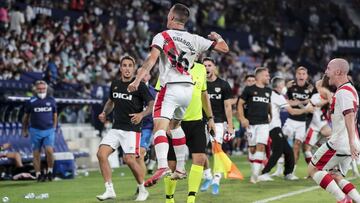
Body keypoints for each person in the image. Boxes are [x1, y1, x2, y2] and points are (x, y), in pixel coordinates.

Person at [127, 3, 229, 186]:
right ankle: (181, 167)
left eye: (168, 15)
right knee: (174, 127)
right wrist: (217, 36)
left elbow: (151, 60)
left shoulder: (163, 36)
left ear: (173, 18)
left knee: (159, 126)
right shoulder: (195, 39)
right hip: (188, 90)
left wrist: (136, 81)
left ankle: (163, 165)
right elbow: (224, 48)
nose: (167, 18)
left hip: (171, 87)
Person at [96, 56, 154, 201]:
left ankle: (142, 189)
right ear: (120, 68)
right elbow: (111, 102)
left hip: (132, 129)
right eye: (124, 65)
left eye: (130, 65)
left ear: (134, 69)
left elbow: (152, 105)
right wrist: (104, 112)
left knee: (129, 159)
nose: (127, 68)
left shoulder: (139, 86)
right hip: (116, 128)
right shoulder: (115, 84)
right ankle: (109, 190)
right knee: (101, 154)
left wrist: (141, 114)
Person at [308, 58, 360, 203]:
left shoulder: (343, 92)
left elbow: (349, 115)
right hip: (350, 142)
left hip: (341, 143)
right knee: (336, 175)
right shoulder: (350, 89)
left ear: (337, 71)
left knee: (313, 170)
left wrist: (350, 142)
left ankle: (343, 200)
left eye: (328, 69)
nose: (326, 72)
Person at [164, 62, 216, 203]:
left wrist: (210, 118)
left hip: (196, 122)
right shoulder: (169, 68)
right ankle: (169, 199)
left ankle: (191, 198)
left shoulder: (200, 68)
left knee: (199, 158)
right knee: (172, 164)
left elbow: (204, 94)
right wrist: (164, 121)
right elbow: (160, 95)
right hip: (174, 123)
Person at [257, 77, 313, 182]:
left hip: (270, 126)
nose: (284, 87)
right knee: (278, 150)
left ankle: (288, 173)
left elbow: (290, 103)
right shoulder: (278, 96)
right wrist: (306, 109)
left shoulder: (271, 94)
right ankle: (264, 173)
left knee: (288, 150)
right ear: (278, 86)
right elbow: (292, 111)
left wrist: (301, 102)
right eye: (283, 85)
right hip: (274, 127)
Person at [200, 57, 234, 195]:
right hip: (201, 121)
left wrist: (230, 125)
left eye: (209, 65)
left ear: (214, 67)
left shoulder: (224, 84)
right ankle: (207, 175)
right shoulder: (199, 83)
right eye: (204, 66)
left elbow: (228, 106)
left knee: (217, 149)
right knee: (199, 150)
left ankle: (216, 180)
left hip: (218, 122)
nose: (207, 68)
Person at [237, 67, 271, 184]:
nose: (268, 77)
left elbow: (269, 105)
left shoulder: (268, 91)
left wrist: (271, 115)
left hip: (264, 123)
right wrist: (242, 118)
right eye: (266, 75)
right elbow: (240, 104)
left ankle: (255, 176)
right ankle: (255, 171)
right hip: (251, 123)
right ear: (260, 76)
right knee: (252, 149)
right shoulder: (249, 89)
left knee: (261, 146)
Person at [22, 80, 57, 182]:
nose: (41, 90)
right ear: (36, 89)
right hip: (35, 130)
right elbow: (26, 117)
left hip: (49, 130)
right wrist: (24, 130)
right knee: (36, 153)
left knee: (49, 151)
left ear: (46, 89)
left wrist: (54, 127)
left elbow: (55, 114)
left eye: (43, 88)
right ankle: (38, 174)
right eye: (39, 89)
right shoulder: (31, 101)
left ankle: (50, 171)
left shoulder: (51, 100)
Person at [282, 66, 313, 176]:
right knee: (282, 143)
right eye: (299, 74)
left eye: (303, 74)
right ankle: (280, 169)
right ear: (296, 75)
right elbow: (285, 101)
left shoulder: (310, 89)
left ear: (306, 76)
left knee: (297, 146)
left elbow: (312, 105)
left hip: (302, 122)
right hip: (290, 119)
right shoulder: (290, 87)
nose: (301, 76)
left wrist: (304, 105)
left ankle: (292, 172)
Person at [303, 79, 332, 165]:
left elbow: (308, 109)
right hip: (326, 126)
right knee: (325, 150)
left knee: (306, 150)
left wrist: (304, 108)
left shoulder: (315, 96)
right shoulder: (331, 97)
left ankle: (313, 171)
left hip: (315, 127)